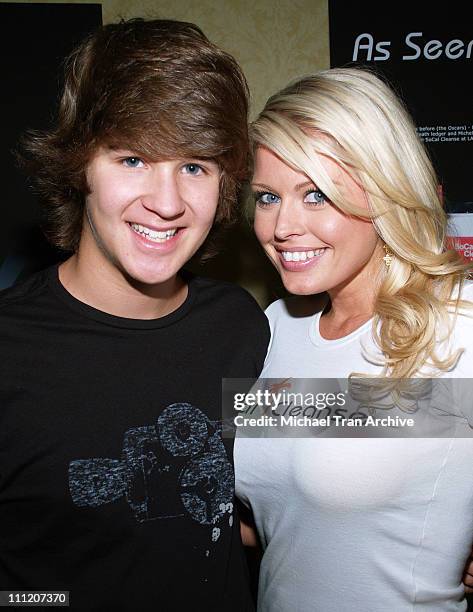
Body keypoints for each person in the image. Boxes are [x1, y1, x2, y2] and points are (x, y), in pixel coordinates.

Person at [0, 18, 269, 611]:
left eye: (195, 166)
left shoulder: (243, 325)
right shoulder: (11, 349)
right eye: (132, 160)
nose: (168, 203)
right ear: (79, 167)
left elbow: (287, 486)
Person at [235, 67, 473, 611]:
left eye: (315, 195)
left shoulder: (457, 323)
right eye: (267, 197)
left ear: (385, 191)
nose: (281, 226)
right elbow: (274, 516)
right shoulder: (273, 327)